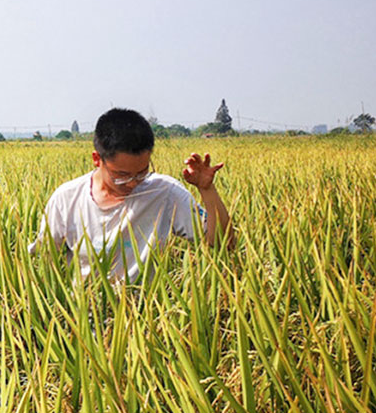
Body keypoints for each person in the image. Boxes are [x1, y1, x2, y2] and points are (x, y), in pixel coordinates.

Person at [30, 108, 232, 283]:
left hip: (145, 317)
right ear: (97, 159)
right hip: (81, 316)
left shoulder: (165, 193)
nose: (133, 182)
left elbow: (223, 243)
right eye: (121, 175)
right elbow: (45, 260)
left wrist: (207, 190)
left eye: (142, 172)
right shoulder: (67, 198)